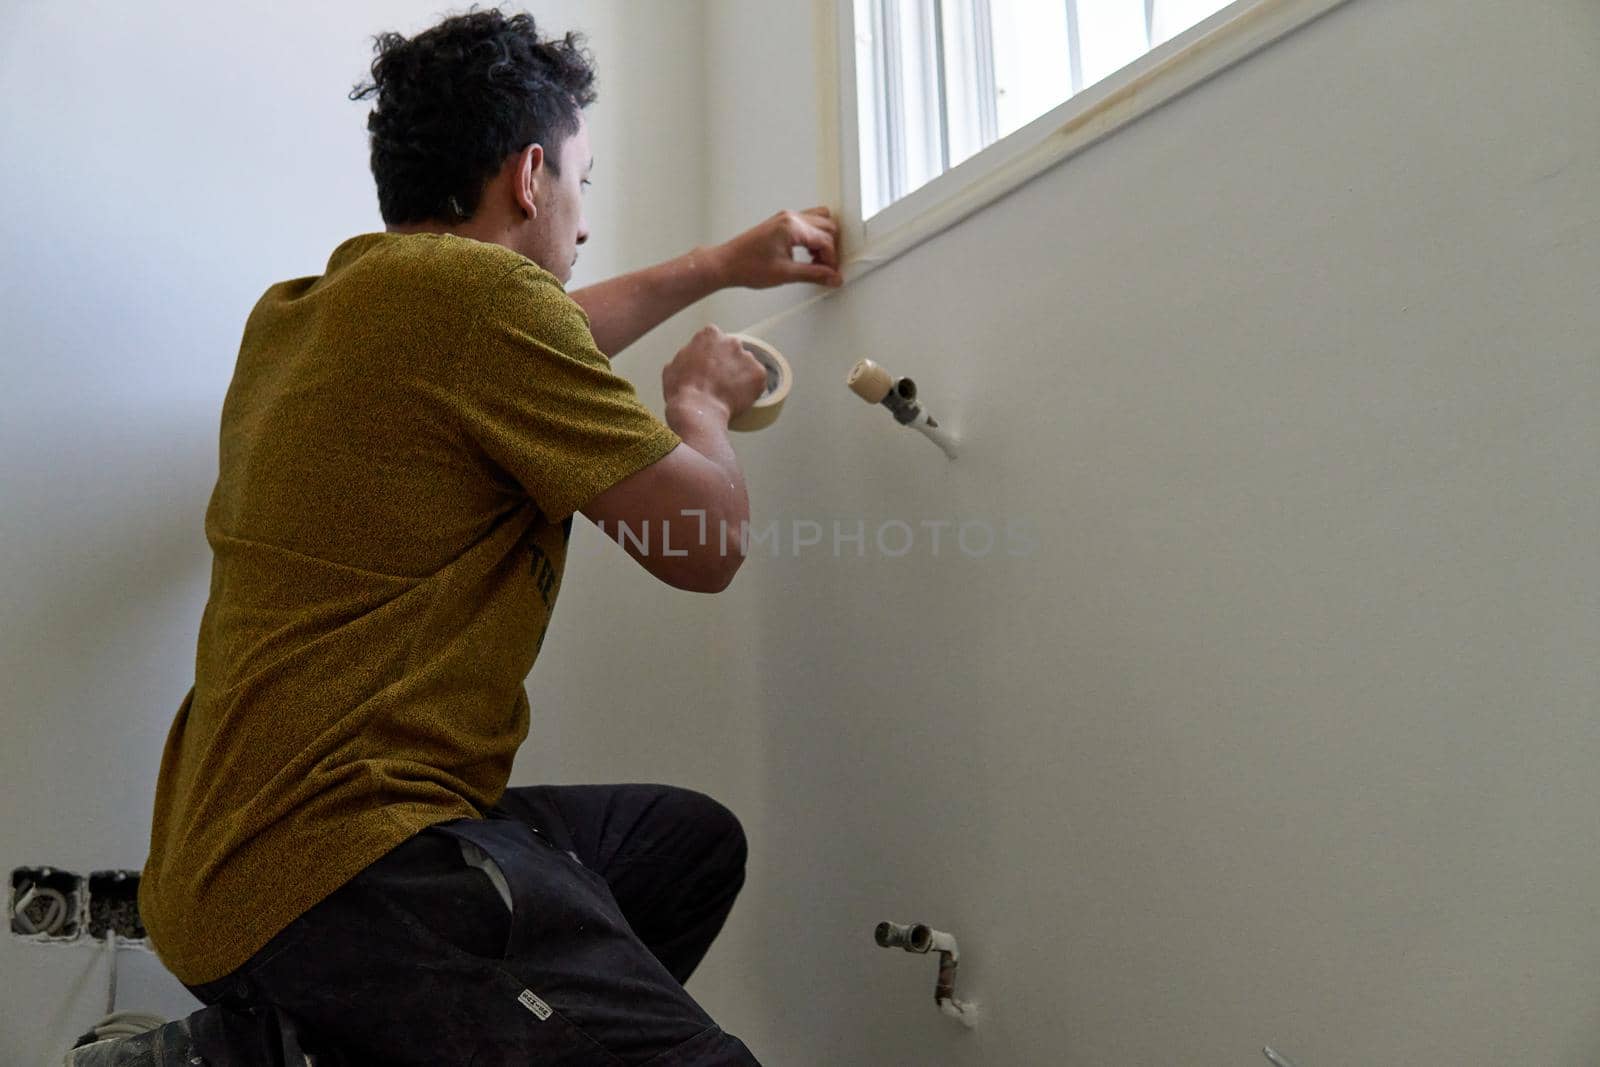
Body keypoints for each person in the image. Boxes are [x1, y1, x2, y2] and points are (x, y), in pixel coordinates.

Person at [137, 9, 840, 1064]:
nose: (584, 219)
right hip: (333, 864)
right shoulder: (479, 302)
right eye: (581, 182)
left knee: (681, 845)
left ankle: (292, 1044)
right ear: (527, 176)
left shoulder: (311, 309)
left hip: (215, 856)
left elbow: (540, 337)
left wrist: (713, 265)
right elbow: (705, 543)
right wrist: (696, 402)